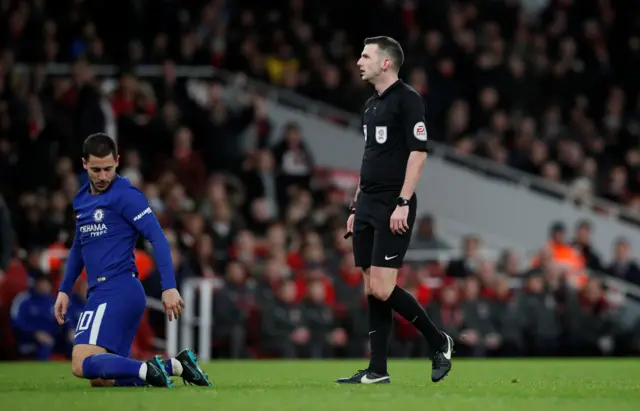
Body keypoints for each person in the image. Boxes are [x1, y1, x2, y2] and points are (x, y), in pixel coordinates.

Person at [336, 37, 454, 385]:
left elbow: (418, 152)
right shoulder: (371, 105)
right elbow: (369, 157)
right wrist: (356, 205)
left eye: (366, 55)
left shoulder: (408, 100)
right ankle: (377, 370)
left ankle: (439, 341)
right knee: (373, 288)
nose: (359, 61)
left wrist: (403, 201)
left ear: (385, 63)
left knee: (385, 288)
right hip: (368, 202)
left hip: (393, 203)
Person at [54, 133, 212, 388]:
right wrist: (64, 289)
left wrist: (169, 286)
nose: (103, 176)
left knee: (80, 363)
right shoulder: (82, 199)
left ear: (117, 161)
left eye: (108, 168)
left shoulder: (126, 195)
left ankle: (148, 369)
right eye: (96, 170)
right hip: (105, 291)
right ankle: (176, 366)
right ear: (84, 164)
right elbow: (79, 246)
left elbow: (158, 239)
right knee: (101, 380)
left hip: (117, 289)